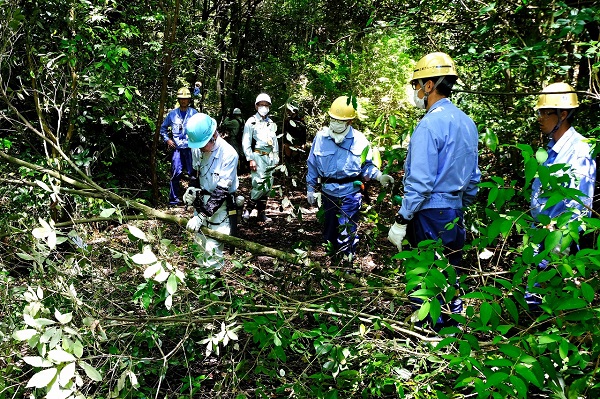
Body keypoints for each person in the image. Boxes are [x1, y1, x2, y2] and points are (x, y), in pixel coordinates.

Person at [387, 52, 481, 327]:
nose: (415, 92)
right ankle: (454, 335)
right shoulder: (467, 122)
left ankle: (431, 337)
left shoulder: (429, 125)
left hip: (429, 213)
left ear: (430, 85)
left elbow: (421, 182)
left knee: (426, 279)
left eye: (417, 85)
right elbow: (473, 177)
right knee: (450, 274)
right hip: (455, 211)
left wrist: (402, 218)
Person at [526, 82, 596, 308]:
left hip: (560, 240)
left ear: (563, 114)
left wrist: (561, 244)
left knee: (546, 302)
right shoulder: (549, 149)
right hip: (542, 236)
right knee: (536, 300)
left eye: (545, 113)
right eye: (540, 112)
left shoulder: (580, 150)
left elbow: (581, 203)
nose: (540, 118)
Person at [307, 96, 394, 265]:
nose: (336, 123)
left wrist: (378, 176)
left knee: (347, 230)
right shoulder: (320, 138)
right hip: (328, 193)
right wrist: (310, 188)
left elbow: (367, 166)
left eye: (341, 120)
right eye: (333, 119)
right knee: (330, 231)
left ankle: (347, 265)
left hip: (351, 193)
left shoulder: (360, 140)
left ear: (350, 121)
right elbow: (312, 164)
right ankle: (333, 263)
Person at [182, 113, 239, 269]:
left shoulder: (228, 154)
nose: (200, 148)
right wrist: (191, 188)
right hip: (201, 204)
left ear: (214, 135)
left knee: (212, 254)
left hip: (220, 208)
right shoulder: (197, 148)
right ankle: (202, 289)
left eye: (203, 144)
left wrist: (202, 216)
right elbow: (195, 172)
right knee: (199, 251)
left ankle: (215, 289)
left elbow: (221, 191)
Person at [241, 93, 279, 223]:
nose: (264, 107)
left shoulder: (270, 122)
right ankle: (247, 211)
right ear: (257, 106)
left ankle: (261, 213)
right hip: (258, 156)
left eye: (266, 105)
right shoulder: (251, 121)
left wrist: (276, 157)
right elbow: (246, 141)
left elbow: (275, 141)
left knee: (267, 186)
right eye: (261, 105)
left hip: (270, 157)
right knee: (258, 184)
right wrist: (250, 158)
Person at [160, 87, 198, 206]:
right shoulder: (172, 114)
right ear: (178, 99)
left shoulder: (194, 113)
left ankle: (192, 200)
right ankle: (173, 200)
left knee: (193, 174)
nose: (183, 101)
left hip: (191, 148)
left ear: (189, 100)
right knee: (176, 173)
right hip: (177, 149)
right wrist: (167, 140)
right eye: (181, 99)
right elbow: (163, 129)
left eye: (185, 99)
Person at [221, 108, 246, 173]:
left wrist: (227, 117)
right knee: (241, 153)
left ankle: (238, 169)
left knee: (235, 153)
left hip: (234, 139)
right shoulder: (243, 120)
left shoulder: (234, 122)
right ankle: (244, 167)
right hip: (241, 138)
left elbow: (225, 123)